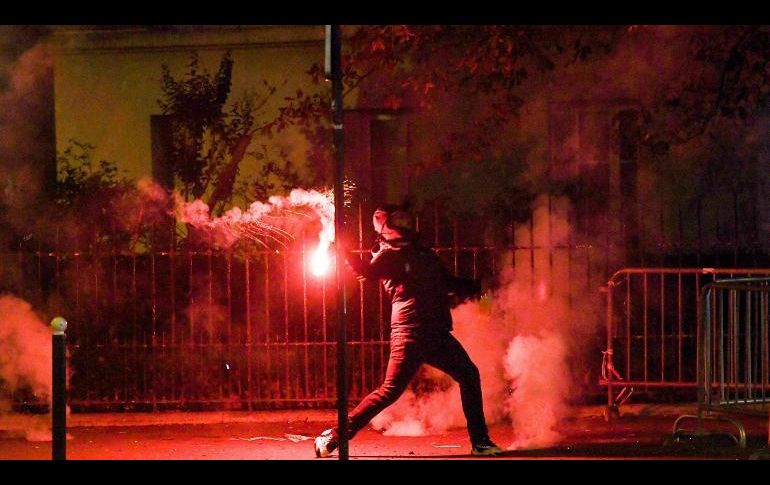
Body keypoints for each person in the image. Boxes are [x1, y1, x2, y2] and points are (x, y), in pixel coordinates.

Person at [313, 204, 503, 457]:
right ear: (385, 226)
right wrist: (342, 250)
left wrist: (478, 287)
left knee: (469, 374)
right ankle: (334, 436)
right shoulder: (389, 255)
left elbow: (448, 283)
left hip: (436, 332)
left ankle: (481, 443)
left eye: (406, 219)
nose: (405, 224)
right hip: (410, 333)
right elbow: (366, 271)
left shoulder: (424, 255)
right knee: (389, 392)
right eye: (398, 220)